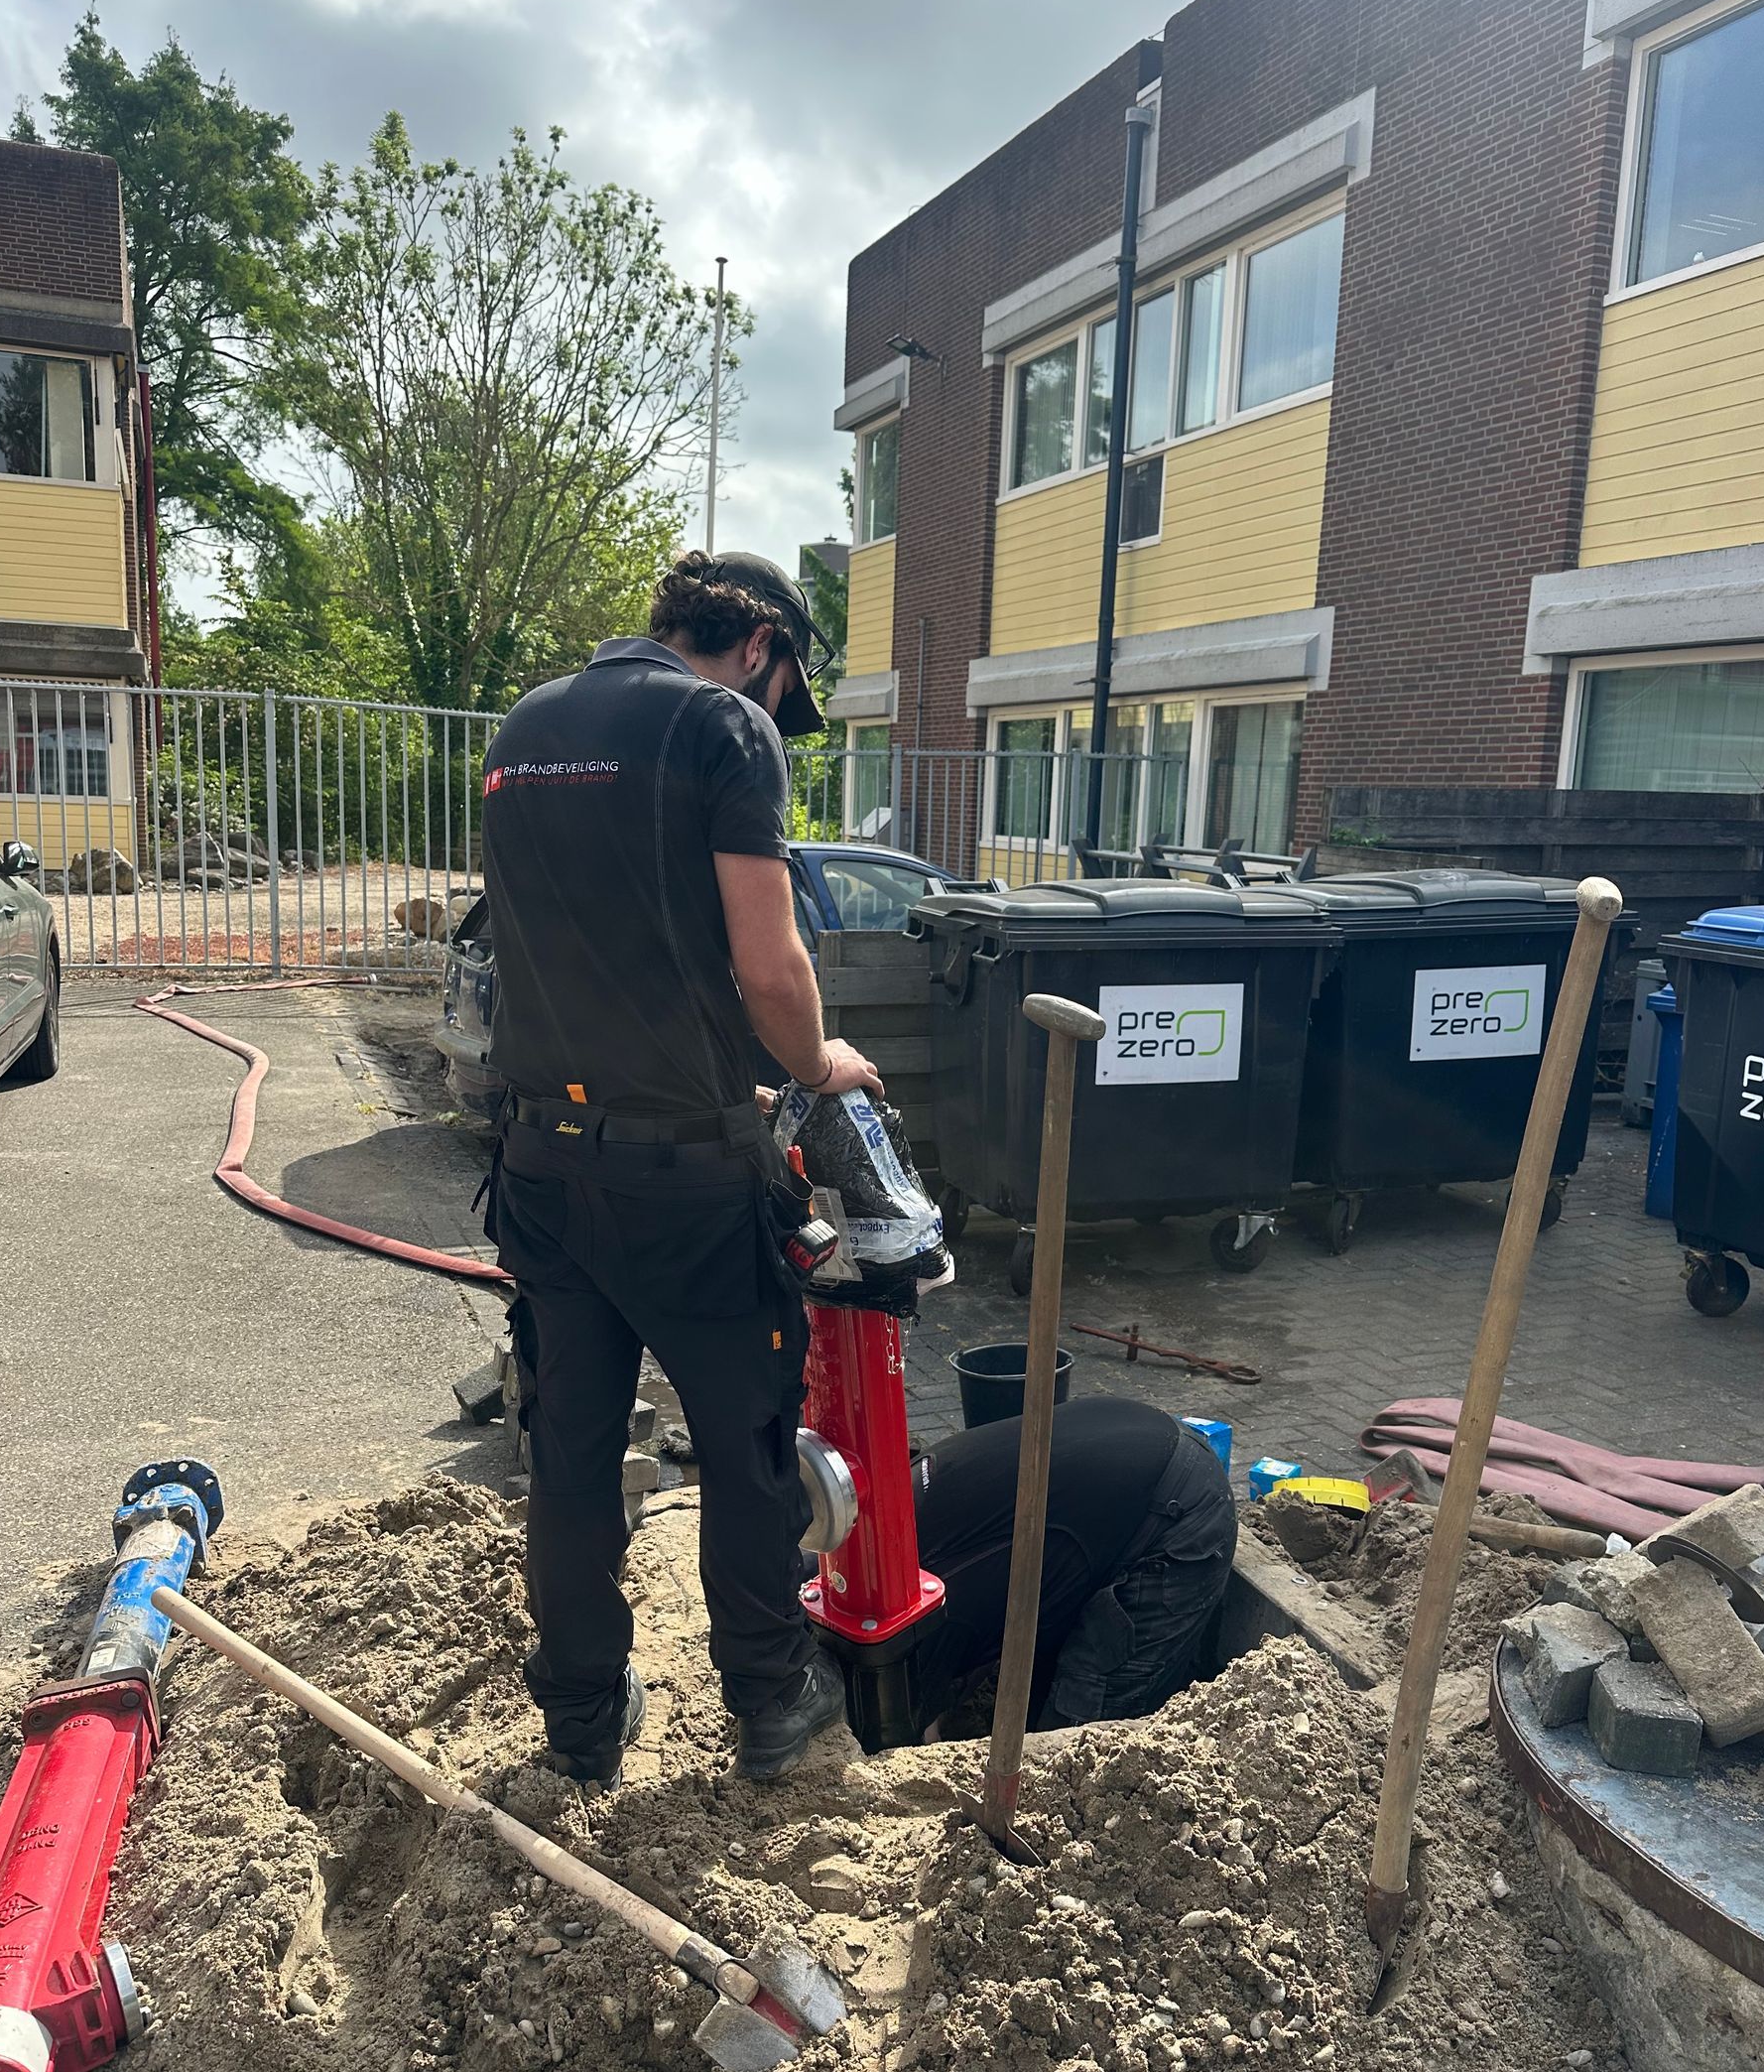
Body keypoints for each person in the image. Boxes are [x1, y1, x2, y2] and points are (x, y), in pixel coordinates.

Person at [480, 550, 881, 1792]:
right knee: (748, 1444)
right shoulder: (721, 729)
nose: (776, 718)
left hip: (545, 1166)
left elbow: (591, 945)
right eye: (781, 691)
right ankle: (768, 1703)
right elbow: (769, 965)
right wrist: (819, 1061)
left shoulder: (529, 724)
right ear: (759, 645)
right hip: (688, 1183)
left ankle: (582, 1721)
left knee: (573, 1453)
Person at [906, 1398, 1237, 1732]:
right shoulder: (904, 1497)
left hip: (1176, 1522)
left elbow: (914, 1723)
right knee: (1041, 1673)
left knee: (1078, 1732)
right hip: (1129, 1442)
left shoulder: (935, 1600)